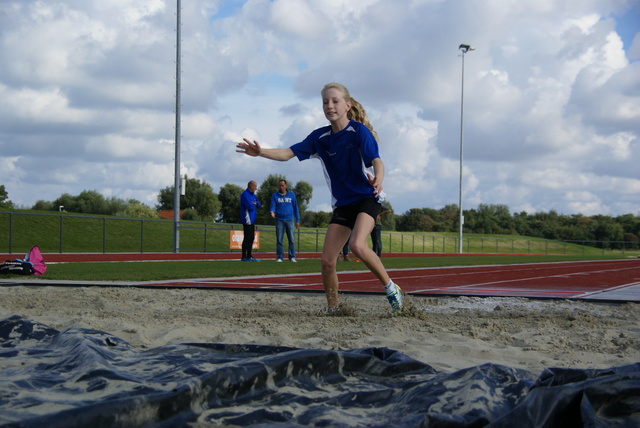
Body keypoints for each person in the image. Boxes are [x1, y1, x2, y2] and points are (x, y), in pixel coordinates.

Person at [236, 82, 403, 315]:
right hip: (343, 204)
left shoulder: (358, 132)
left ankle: (391, 287)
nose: (329, 106)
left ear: (347, 105)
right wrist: (260, 151)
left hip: (366, 198)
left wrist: (379, 178)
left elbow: (376, 160)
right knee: (327, 261)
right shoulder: (319, 138)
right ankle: (333, 308)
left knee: (356, 244)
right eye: (325, 102)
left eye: (335, 101)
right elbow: (287, 153)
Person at [270, 179, 300, 262]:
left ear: (286, 186)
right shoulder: (275, 195)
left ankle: (292, 257)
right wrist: (272, 211)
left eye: (282, 185)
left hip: (290, 219)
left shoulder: (292, 195)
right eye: (279, 185)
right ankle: (279, 257)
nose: (281, 187)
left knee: (292, 239)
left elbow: (295, 207)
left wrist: (297, 219)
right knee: (279, 239)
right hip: (279, 219)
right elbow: (273, 205)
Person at [240, 180, 261, 262]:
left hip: (252, 219)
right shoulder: (245, 194)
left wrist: (255, 203)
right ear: (251, 186)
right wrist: (254, 204)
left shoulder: (253, 195)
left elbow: (259, 204)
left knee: (251, 237)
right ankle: (244, 256)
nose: (256, 188)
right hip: (247, 218)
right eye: (255, 186)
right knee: (247, 237)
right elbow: (250, 206)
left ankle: (249, 256)